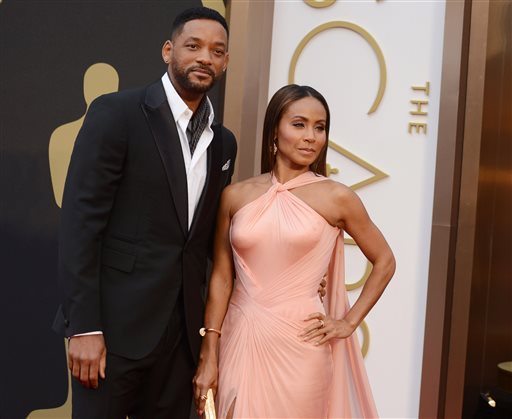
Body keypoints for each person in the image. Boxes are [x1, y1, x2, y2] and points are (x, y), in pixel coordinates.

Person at [52, 7, 237, 418]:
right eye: (194, 46)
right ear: (168, 51)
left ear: (226, 62)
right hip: (112, 334)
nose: (205, 57)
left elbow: (206, 244)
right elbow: (81, 225)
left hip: (180, 342)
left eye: (217, 50)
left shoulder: (223, 143)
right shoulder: (118, 113)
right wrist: (84, 327)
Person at [193, 84, 396, 418]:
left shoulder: (337, 197)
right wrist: (210, 349)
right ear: (275, 129)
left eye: (320, 128)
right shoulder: (236, 196)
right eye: (299, 124)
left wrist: (348, 323)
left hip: (303, 344)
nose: (311, 137)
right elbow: (221, 277)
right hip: (240, 339)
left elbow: (385, 260)